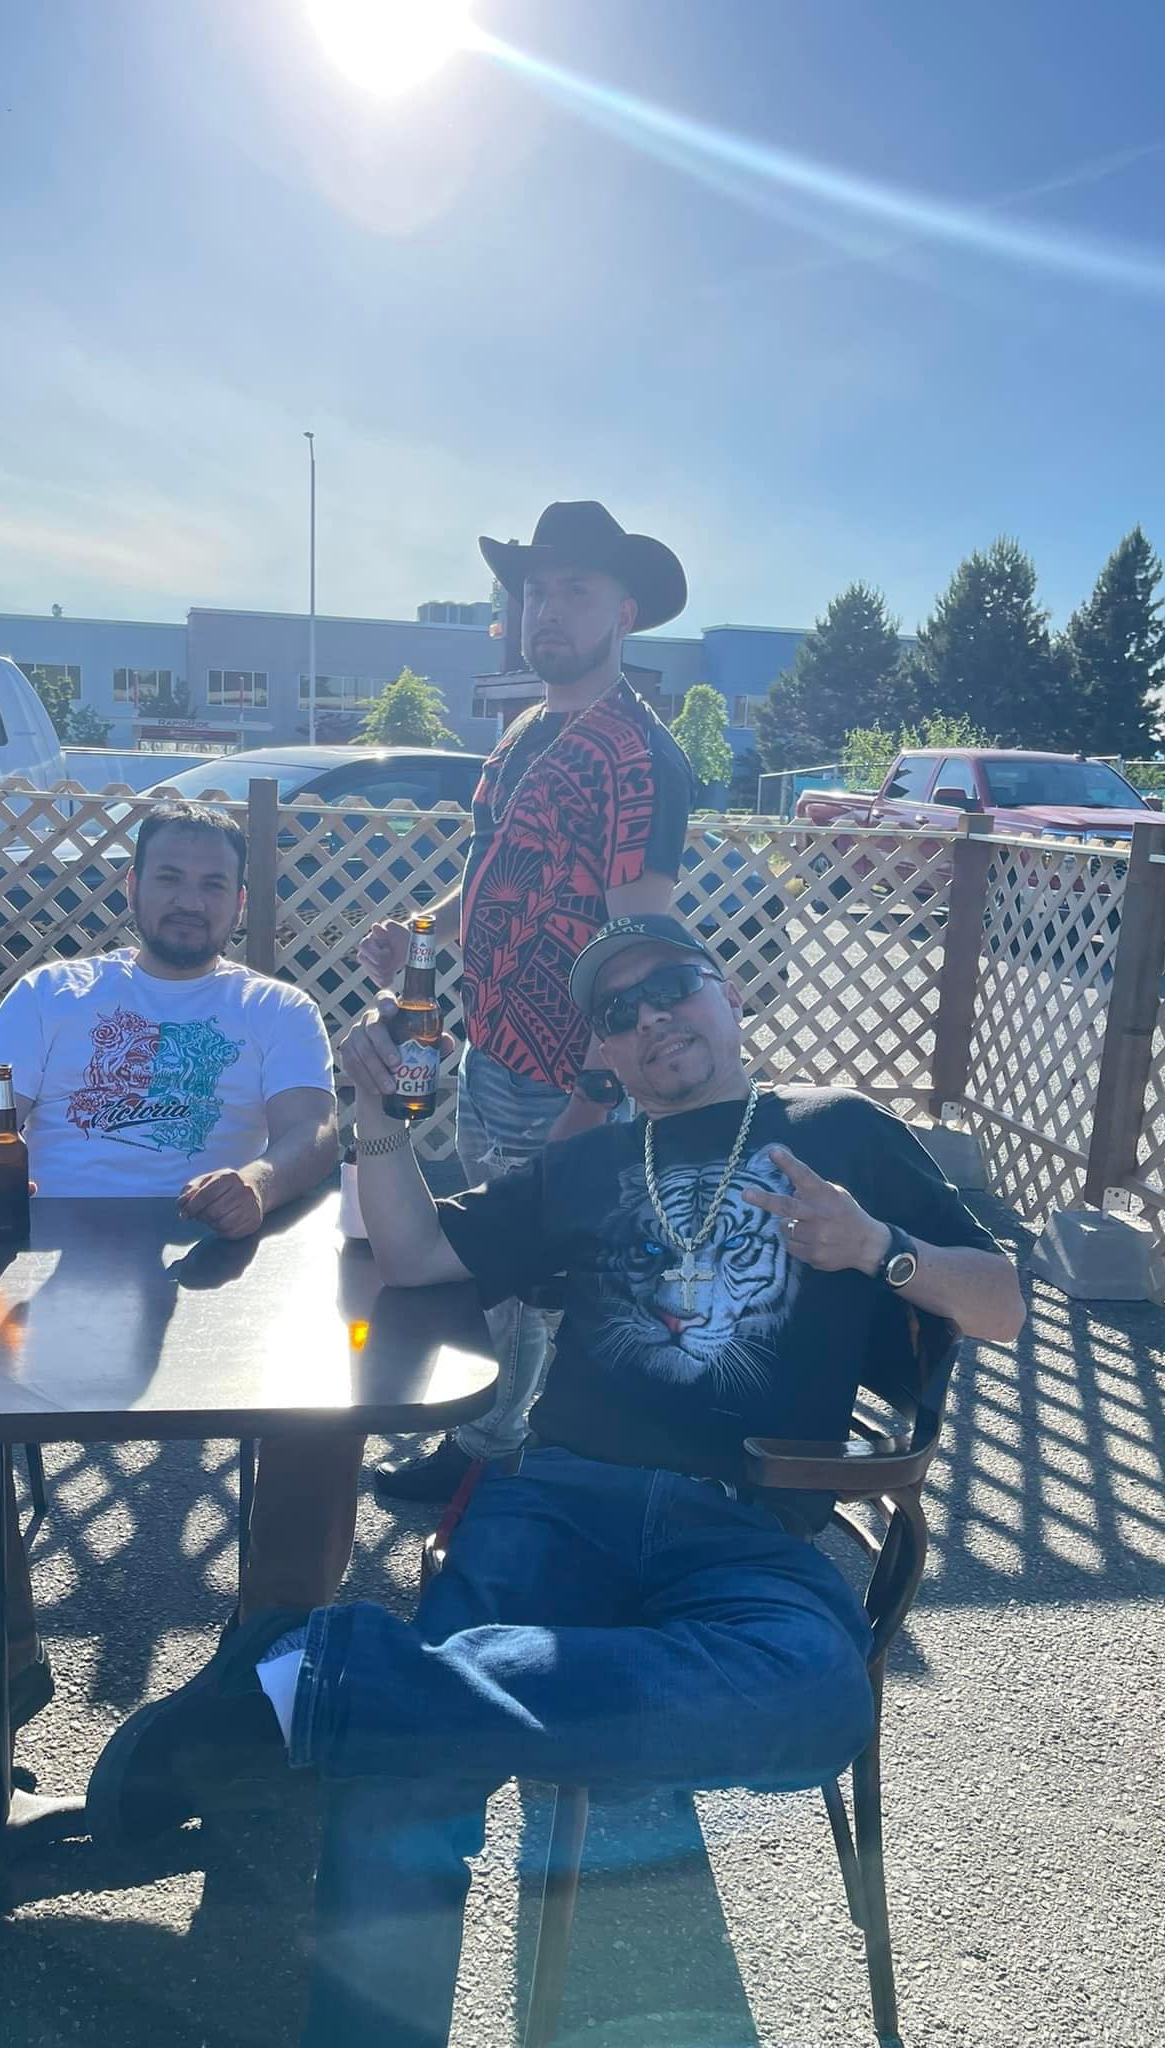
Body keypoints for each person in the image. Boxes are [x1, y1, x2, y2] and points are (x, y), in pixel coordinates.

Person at [86, 912, 1025, 2048]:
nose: (651, 1019)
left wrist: (881, 1247)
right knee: (403, 1778)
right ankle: (350, 1711)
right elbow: (416, 1255)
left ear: (726, 993)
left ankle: (315, 1673)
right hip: (558, 1499)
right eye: (619, 1014)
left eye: (672, 986)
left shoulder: (840, 1128)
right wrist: (374, 1113)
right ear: (607, 1053)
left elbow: (1002, 1303)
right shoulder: (591, 1162)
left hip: (746, 1522)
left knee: (816, 1695)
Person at [0, 799, 344, 1804]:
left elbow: (313, 1130)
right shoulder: (52, 991)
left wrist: (259, 1181)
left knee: (327, 1407)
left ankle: (266, 1664)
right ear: (130, 887)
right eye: (170, 877)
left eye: (213, 884)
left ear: (240, 903)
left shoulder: (277, 1008)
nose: (190, 900)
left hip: (216, 1270)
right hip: (43, 1264)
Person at [359, 500, 696, 1503]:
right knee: (507, 1276)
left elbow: (637, 946)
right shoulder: (520, 736)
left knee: (559, 1280)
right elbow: (496, 875)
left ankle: (519, 1467)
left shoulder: (639, 757)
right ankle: (497, 1445)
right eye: (535, 591)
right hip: (492, 1055)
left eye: (574, 590)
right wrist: (424, 935)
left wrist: (595, 1094)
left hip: (569, 1079)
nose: (547, 610)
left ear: (623, 613)